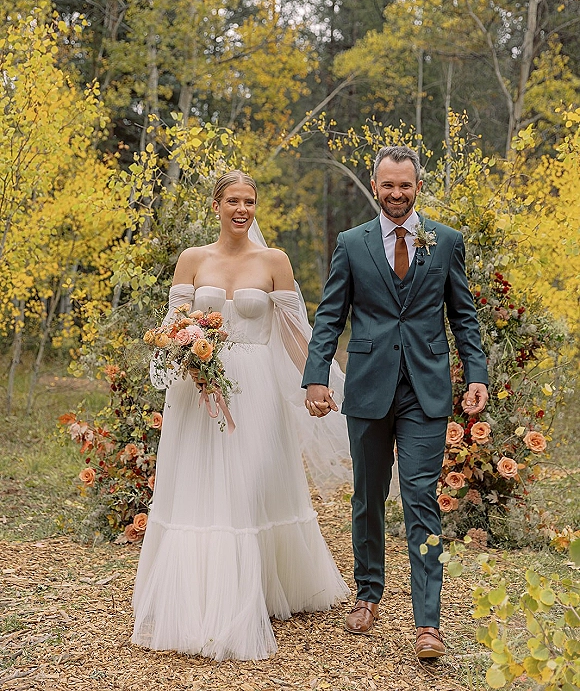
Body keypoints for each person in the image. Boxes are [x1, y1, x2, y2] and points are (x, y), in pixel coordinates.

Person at [131, 170, 350, 661]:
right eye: (233, 200)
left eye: (250, 201)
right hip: (197, 394)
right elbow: (171, 327)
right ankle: (201, 604)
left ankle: (257, 590)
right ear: (216, 206)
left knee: (247, 489)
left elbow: (295, 333)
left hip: (255, 392)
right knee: (199, 492)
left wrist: (316, 381)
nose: (242, 209)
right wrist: (182, 352)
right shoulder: (193, 260)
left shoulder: (274, 261)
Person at [302, 145, 488, 659]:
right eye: (388, 185)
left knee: (420, 499)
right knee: (367, 497)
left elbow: (464, 316)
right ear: (375, 186)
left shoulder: (446, 242)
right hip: (367, 388)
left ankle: (428, 622)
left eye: (405, 185)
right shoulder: (351, 243)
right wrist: (317, 375)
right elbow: (330, 315)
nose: (396, 194)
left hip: (425, 391)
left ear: (417, 187)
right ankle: (368, 594)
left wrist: (477, 373)